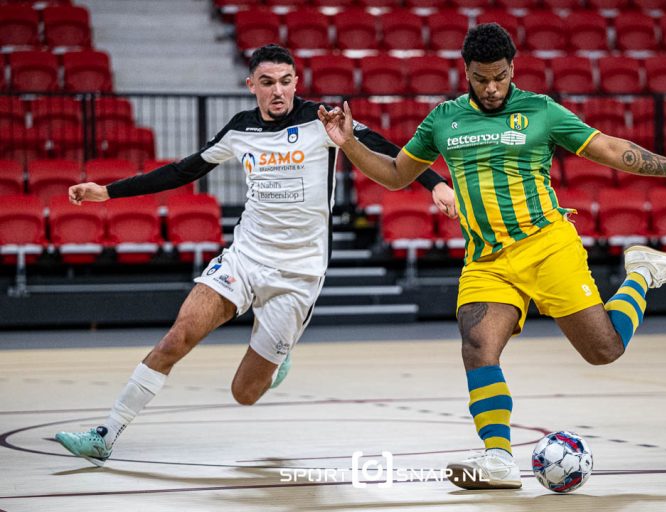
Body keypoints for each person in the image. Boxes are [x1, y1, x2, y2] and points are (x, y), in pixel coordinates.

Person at [319, 23, 666, 490]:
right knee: (476, 346)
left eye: (500, 76)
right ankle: (497, 459)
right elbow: (393, 175)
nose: (491, 88)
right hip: (487, 260)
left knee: (604, 350)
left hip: (548, 246)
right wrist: (347, 142)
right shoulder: (442, 121)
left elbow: (609, 148)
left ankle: (643, 274)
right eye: (480, 78)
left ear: (513, 69)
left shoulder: (541, 111)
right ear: (465, 72)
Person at [54, 44, 457, 467]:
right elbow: (182, 170)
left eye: (285, 81)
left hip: (299, 274)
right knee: (178, 337)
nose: (277, 91)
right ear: (252, 86)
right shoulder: (240, 130)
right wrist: (108, 191)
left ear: (296, 83)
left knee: (244, 392)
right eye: (267, 83)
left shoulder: (324, 121)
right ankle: (107, 433)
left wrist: (435, 184)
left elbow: (394, 150)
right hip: (245, 259)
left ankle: (277, 359)